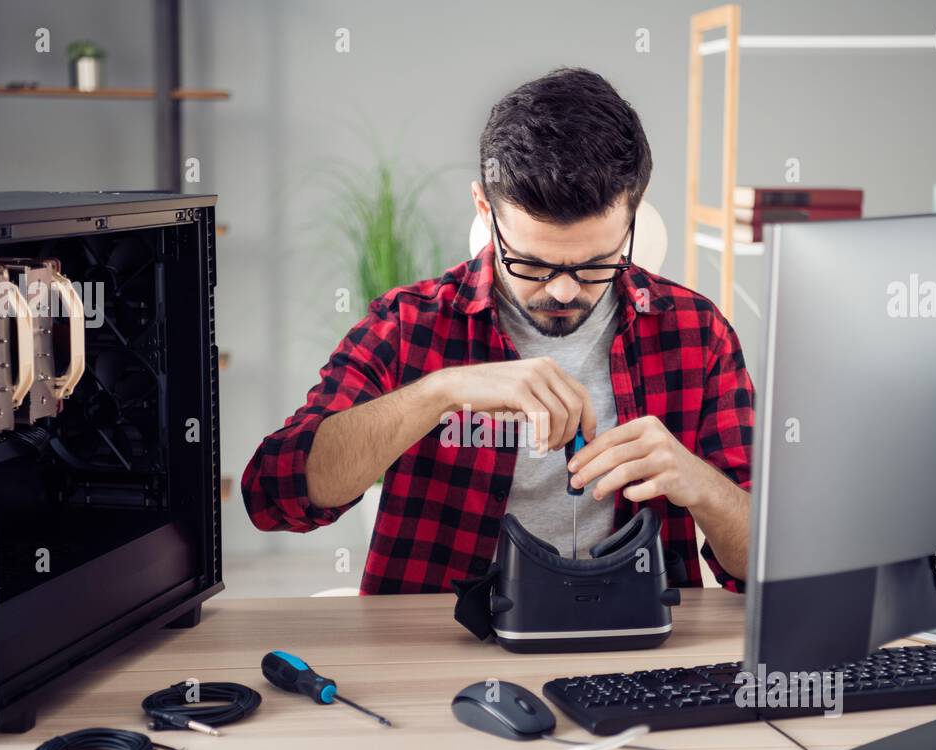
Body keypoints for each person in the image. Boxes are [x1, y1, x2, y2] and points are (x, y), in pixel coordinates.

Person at [243, 68, 753, 594]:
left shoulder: (697, 332)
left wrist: (702, 486)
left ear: (632, 218)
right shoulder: (409, 325)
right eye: (532, 264)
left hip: (633, 647)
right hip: (444, 648)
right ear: (485, 210)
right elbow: (272, 495)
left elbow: (761, 568)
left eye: (597, 263)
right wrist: (441, 392)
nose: (562, 291)